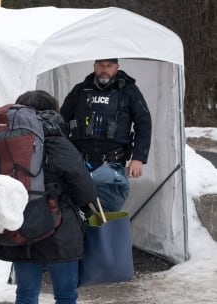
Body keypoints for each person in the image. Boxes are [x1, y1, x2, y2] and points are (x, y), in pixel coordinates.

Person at [0, 90, 99, 304]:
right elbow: (84, 188)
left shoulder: (8, 141)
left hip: (19, 228)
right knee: (66, 298)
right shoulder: (57, 141)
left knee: (25, 298)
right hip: (58, 229)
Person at [60, 58, 152, 211]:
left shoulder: (129, 91)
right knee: (74, 210)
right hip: (80, 163)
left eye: (109, 66)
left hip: (112, 164)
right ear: (94, 66)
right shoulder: (80, 90)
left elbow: (144, 124)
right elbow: (61, 121)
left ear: (117, 67)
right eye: (101, 65)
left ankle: (103, 234)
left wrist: (138, 158)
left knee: (104, 212)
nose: (105, 69)